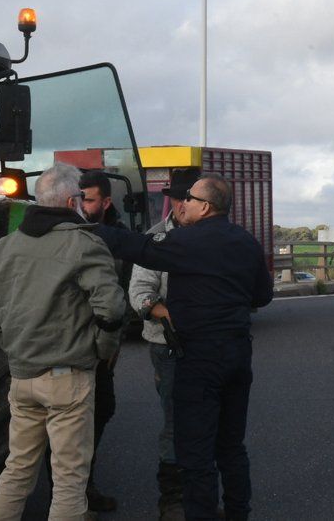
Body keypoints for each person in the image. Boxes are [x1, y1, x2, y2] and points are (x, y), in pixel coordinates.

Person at [91, 173, 273, 521]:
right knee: (232, 447)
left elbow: (138, 247)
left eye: (188, 198)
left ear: (205, 206)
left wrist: (85, 228)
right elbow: (262, 295)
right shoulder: (246, 242)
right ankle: (238, 513)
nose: (182, 203)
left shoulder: (187, 241)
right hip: (238, 355)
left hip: (199, 358)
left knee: (195, 451)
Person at [0, 163, 125, 521]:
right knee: (69, 481)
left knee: (17, 471)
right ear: (73, 200)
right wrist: (100, 350)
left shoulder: (3, 248)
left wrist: (16, 349)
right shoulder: (83, 243)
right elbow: (112, 308)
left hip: (22, 376)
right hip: (68, 377)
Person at [128, 167, 201, 520]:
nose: (186, 203)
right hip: (167, 346)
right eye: (183, 196)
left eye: (193, 197)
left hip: (210, 345)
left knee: (210, 420)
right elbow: (139, 292)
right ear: (174, 201)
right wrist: (164, 313)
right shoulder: (156, 239)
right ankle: (171, 500)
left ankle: (201, 496)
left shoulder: (216, 238)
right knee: (175, 421)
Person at [75, 169, 131, 513]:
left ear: (106, 202)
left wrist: (113, 344)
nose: (82, 205)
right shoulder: (67, 233)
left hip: (100, 343)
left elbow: (119, 298)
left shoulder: (118, 239)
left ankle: (83, 485)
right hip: (69, 342)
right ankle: (71, 491)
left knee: (101, 408)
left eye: (89, 199)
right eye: (79, 198)